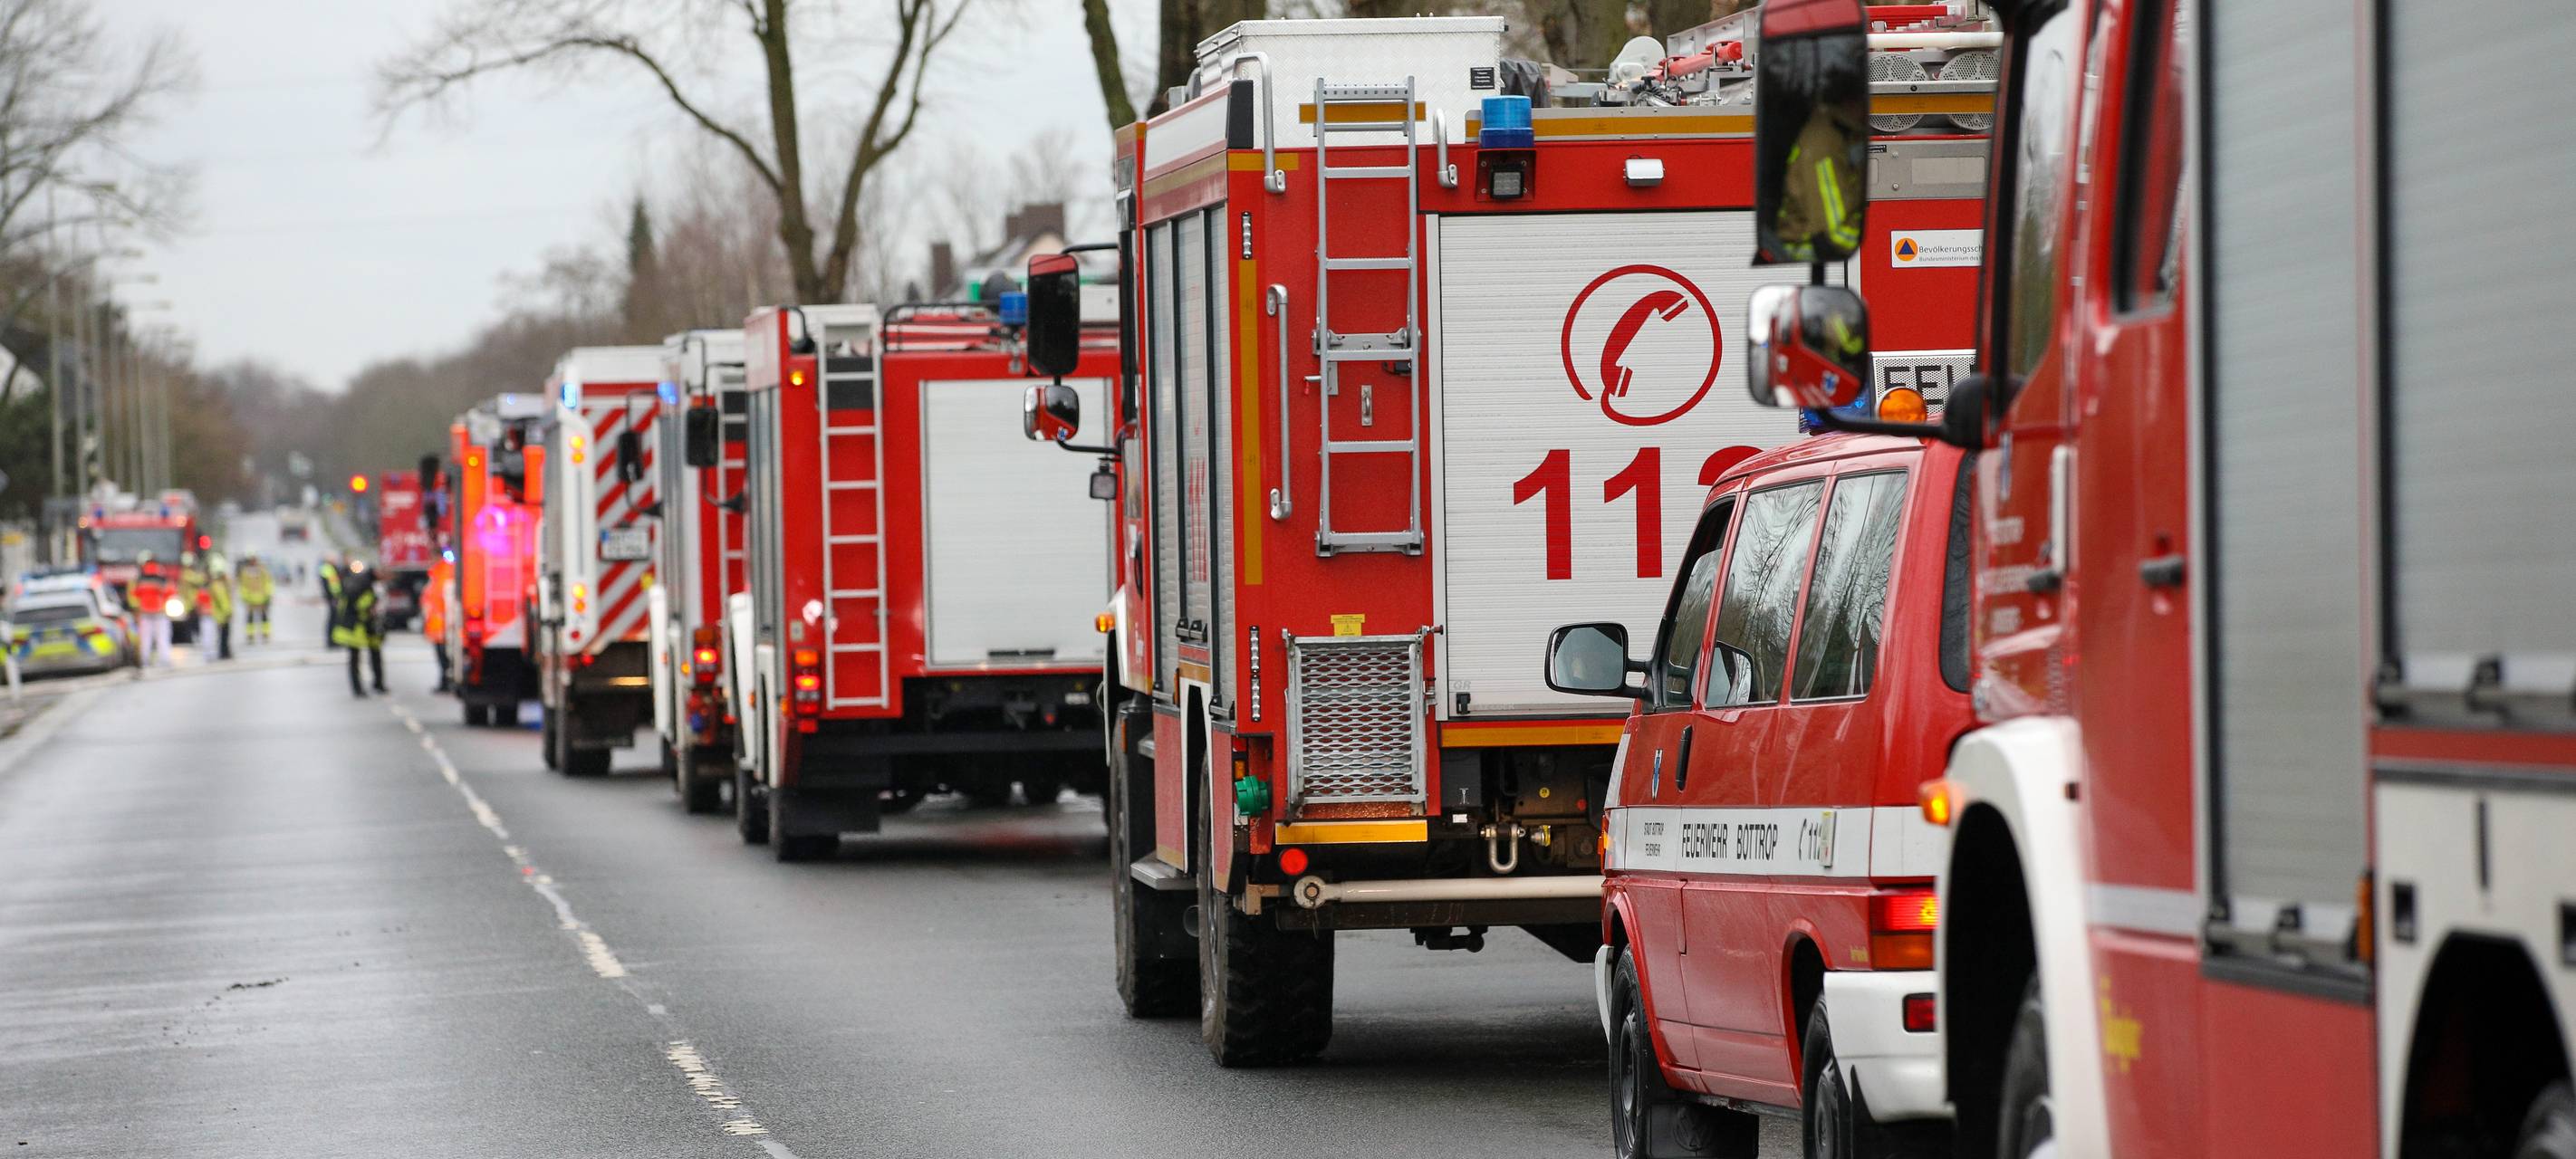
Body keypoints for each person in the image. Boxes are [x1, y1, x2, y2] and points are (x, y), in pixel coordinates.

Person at [332, 565, 385, 697]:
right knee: (355, 658)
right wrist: (373, 603)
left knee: (368, 654)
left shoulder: (361, 581)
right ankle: (359, 688)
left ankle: (375, 684)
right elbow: (361, 605)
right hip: (355, 626)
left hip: (359, 625)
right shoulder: (365, 584)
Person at [130, 552, 173, 671]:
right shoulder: (161, 573)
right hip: (160, 611)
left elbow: (134, 594)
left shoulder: (140, 577)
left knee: (145, 638)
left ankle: (145, 661)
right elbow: (169, 591)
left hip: (145, 612)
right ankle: (164, 660)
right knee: (162, 636)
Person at [422, 558, 454, 693]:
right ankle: (444, 682)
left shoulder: (444, 573)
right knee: (442, 658)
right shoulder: (437, 575)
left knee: (445, 658)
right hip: (439, 628)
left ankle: (446, 682)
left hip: (444, 627)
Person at [237, 555, 274, 645]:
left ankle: (265, 634)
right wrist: (245, 598)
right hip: (250, 600)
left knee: (264, 617)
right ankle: (250, 635)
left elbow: (268, 583)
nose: (253, 562)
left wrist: (268, 596)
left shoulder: (262, 571)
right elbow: (243, 586)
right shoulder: (245, 572)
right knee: (250, 619)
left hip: (262, 598)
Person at [207, 561, 235, 661]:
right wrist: (228, 611)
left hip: (220, 615)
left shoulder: (219, 584)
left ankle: (224, 652)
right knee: (223, 635)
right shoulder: (218, 585)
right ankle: (224, 653)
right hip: (222, 615)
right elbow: (223, 600)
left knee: (223, 635)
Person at [318, 555, 342, 642]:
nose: (335, 560)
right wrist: (331, 597)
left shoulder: (332, 568)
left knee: (335, 618)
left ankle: (334, 639)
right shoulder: (327, 569)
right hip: (333, 598)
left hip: (335, 597)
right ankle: (331, 640)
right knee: (333, 619)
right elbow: (326, 585)